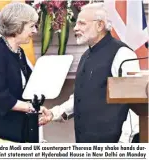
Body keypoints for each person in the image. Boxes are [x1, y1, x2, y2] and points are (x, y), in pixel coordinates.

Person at [39, 3, 140, 143]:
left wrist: (123, 144)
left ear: (99, 25)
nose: (75, 28)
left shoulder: (122, 54)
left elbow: (134, 104)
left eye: (81, 23)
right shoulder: (85, 55)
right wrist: (53, 113)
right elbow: (82, 97)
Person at [0, 2, 39, 142]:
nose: (35, 31)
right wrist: (31, 107)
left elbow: (27, 89)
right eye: (32, 26)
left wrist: (38, 107)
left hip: (12, 129)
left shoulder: (18, 52)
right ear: (17, 26)